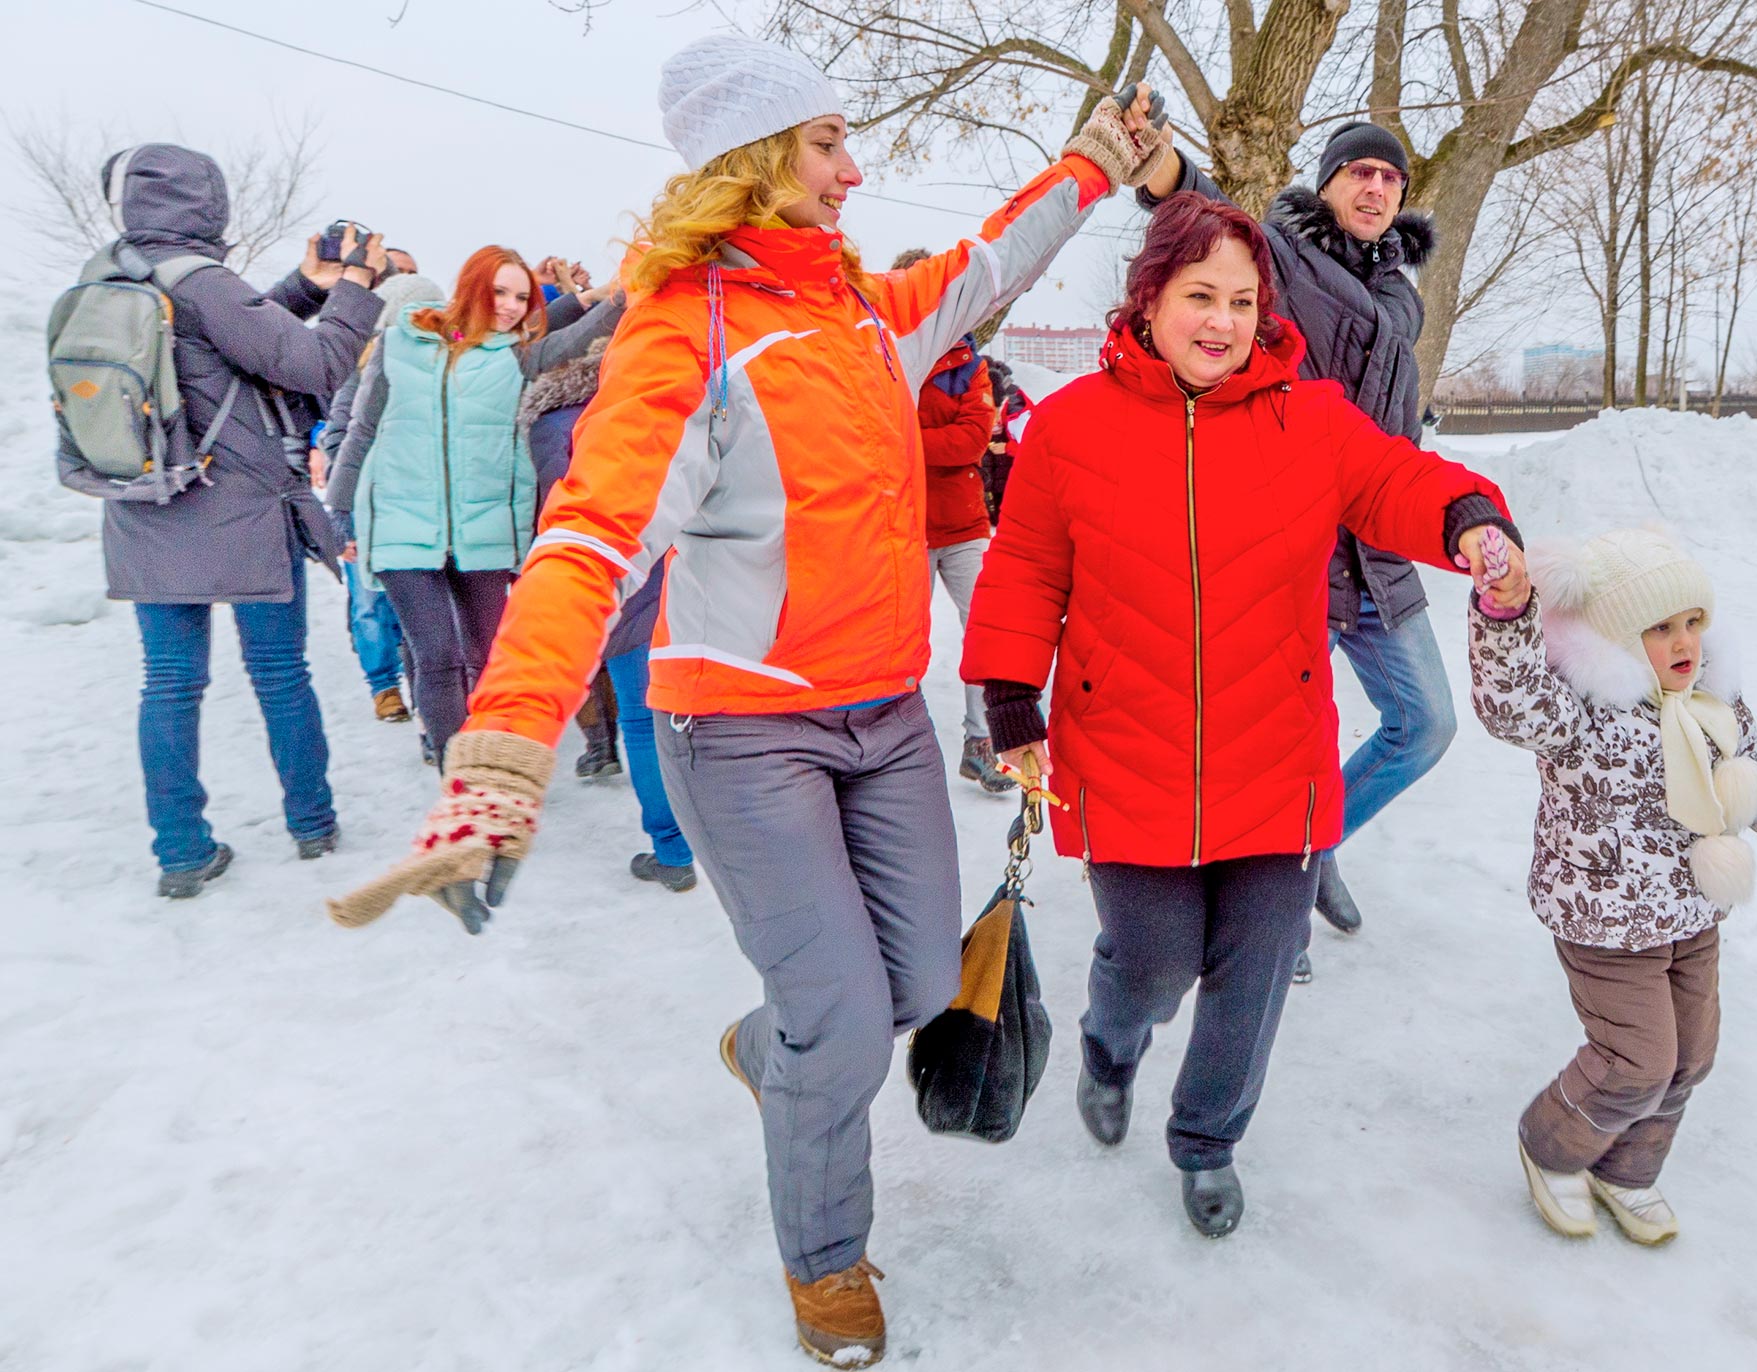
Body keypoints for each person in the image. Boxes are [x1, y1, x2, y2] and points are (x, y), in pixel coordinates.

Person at [329, 35, 1175, 1366]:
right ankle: (825, 1260)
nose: (853, 166)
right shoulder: (689, 334)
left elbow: (991, 261)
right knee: (842, 1019)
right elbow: (589, 540)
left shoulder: (861, 313)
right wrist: (505, 746)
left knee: (904, 991)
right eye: (827, 143)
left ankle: (780, 1042)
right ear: (755, 162)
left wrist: (1092, 164)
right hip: (743, 732)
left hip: (888, 719)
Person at [963, 191, 1529, 1239]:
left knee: (1255, 969)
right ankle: (1109, 1043)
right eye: (1198, 296)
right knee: (1153, 958)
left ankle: (1207, 1139)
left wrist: (1469, 519)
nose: (1220, 320)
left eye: (1239, 298)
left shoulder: (1307, 417)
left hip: (1276, 756)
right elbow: (1027, 564)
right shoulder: (1072, 426)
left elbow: (1399, 479)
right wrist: (1008, 695)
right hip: (1126, 752)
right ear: (1149, 299)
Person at [1467, 528, 1757, 1244]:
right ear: (1620, 639)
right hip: (1604, 918)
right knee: (1637, 1060)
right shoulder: (1580, 711)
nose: (1685, 640)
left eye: (1693, 621)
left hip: (1692, 909)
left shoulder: (1713, 703)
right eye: (1660, 628)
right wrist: (1505, 618)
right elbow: (1512, 704)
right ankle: (1552, 1147)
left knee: (1691, 1058)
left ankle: (1626, 1170)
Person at [1138, 121, 1451, 975]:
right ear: (1328, 185)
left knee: (1425, 724)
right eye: (1360, 171)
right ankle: (1272, 911)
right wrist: (1162, 167)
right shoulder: (1280, 257)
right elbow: (1207, 215)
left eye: (1391, 177)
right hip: (1295, 543)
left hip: (1377, 548)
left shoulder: (1401, 295)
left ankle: (1313, 851)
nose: (1377, 188)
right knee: (1281, 747)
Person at [57, 144, 387, 897]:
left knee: (168, 684)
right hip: (239, 514)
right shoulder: (204, 281)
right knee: (279, 674)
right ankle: (312, 822)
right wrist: (357, 287)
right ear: (208, 203)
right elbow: (311, 366)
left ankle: (180, 852)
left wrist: (307, 287)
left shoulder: (109, 277)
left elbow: (229, 344)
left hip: (145, 507)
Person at [322, 247, 619, 760]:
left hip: (482, 529)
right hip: (400, 525)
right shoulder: (398, 345)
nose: (508, 305)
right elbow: (361, 432)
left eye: (521, 297)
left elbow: (574, 336)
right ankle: (456, 782)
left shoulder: (515, 356)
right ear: (471, 286)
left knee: (487, 658)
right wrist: (340, 512)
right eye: (500, 291)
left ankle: (486, 772)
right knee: (436, 656)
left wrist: (622, 295)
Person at [517, 295, 698, 892]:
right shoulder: (651, 404)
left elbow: (548, 506)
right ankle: (713, 835)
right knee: (692, 719)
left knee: (644, 724)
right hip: (684, 575)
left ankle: (672, 853)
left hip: (613, 582)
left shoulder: (547, 424)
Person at [891, 248, 1013, 796]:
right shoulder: (884, 352)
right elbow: (875, 438)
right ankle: (895, 752)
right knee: (896, 642)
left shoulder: (970, 363)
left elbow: (970, 441)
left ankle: (980, 742)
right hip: (904, 526)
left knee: (988, 631)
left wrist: (906, 440)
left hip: (963, 526)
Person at [318, 272, 445, 726]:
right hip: (368, 509)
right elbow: (337, 439)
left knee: (424, 622)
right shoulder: (363, 371)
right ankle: (383, 686)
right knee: (371, 604)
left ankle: (434, 715)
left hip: (423, 513)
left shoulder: (444, 367)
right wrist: (347, 509)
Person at [979, 356, 1030, 526]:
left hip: (1009, 468)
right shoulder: (976, 392)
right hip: (992, 466)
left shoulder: (1015, 405)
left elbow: (1032, 447)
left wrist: (1007, 448)